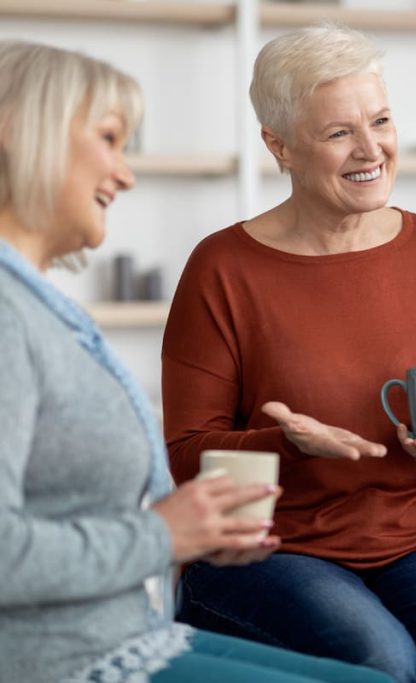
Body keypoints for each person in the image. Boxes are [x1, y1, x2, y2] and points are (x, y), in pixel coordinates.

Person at [0, 40, 392, 683]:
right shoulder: (12, 316)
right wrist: (164, 535)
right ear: (19, 133)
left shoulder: (39, 306)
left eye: (379, 121)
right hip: (78, 661)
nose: (125, 174)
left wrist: (192, 532)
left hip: (131, 633)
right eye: (107, 139)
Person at [160, 24, 416, 683]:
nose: (371, 148)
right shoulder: (222, 266)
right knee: (383, 660)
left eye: (381, 121)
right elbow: (186, 452)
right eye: (338, 133)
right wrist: (284, 443)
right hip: (268, 547)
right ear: (280, 146)